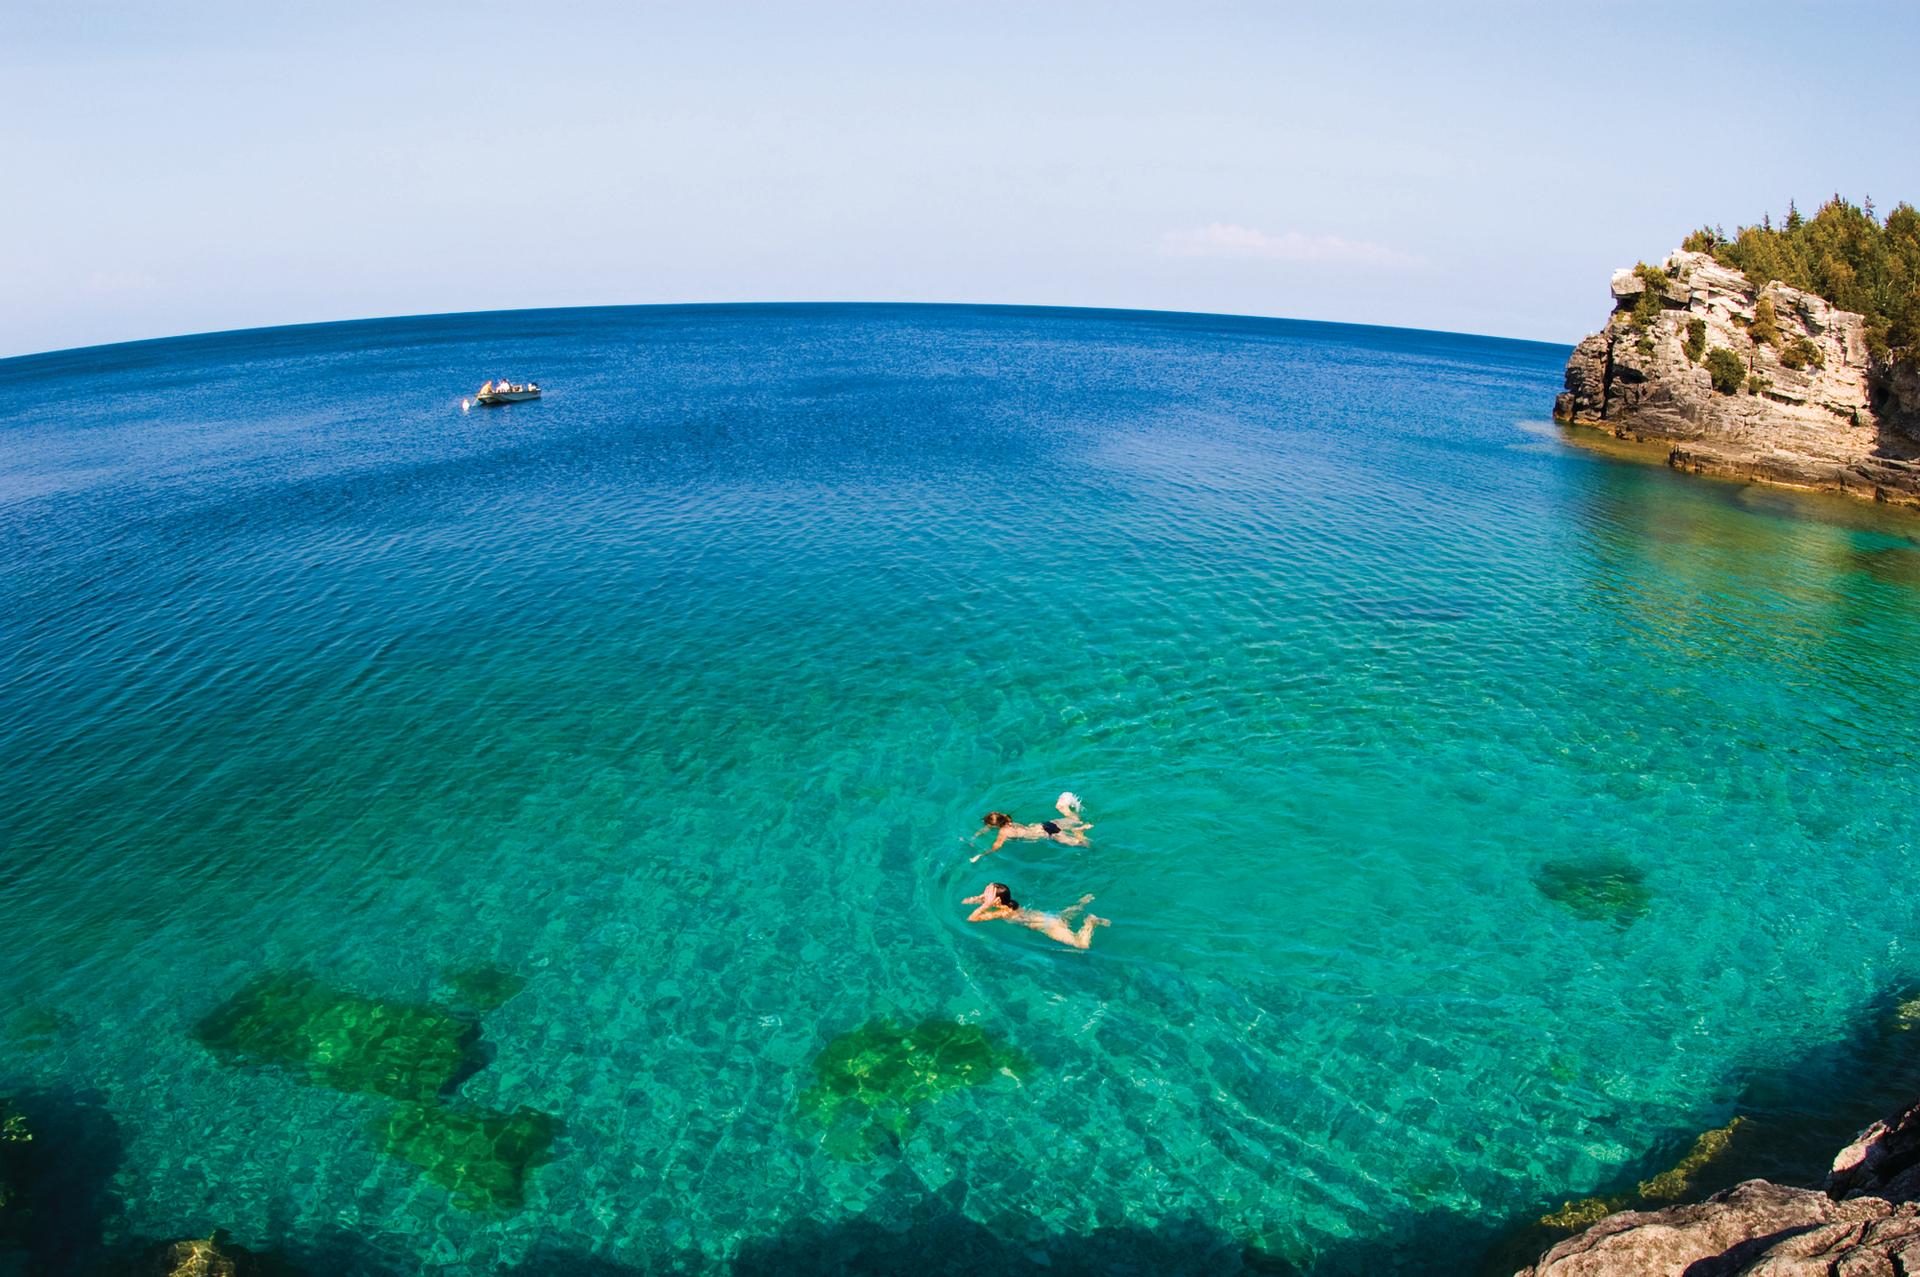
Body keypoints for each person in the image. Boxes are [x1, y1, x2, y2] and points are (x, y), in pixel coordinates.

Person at [963, 883, 1108, 950]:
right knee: (1063, 916)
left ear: (996, 901)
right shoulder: (1009, 903)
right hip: (1046, 916)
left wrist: (985, 904)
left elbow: (971, 919)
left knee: (1081, 945)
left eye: (988, 895)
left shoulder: (1003, 912)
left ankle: (1090, 922)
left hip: (1047, 925)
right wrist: (981, 898)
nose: (985, 896)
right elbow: (965, 902)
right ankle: (1081, 904)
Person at [971, 792, 1089, 861]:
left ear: (994, 825)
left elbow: (996, 847)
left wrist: (980, 855)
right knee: (1075, 820)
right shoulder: (1008, 819)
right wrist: (976, 835)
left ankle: (1080, 832)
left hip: (1050, 834)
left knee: (1085, 845)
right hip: (1046, 824)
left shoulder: (1003, 832)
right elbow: (992, 824)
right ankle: (1063, 808)